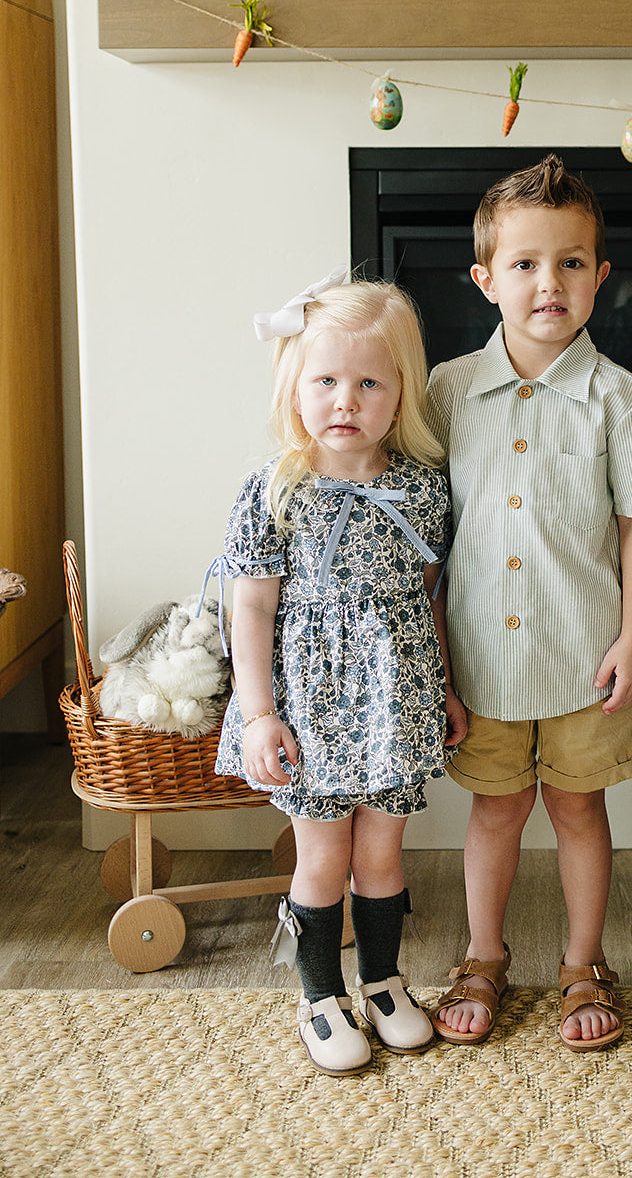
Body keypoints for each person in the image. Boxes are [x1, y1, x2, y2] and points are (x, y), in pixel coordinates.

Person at [425, 155, 632, 1051]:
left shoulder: (623, 399)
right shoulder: (446, 392)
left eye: (571, 263)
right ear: (484, 278)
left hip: (584, 656)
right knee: (494, 809)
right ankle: (483, 955)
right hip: (480, 660)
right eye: (526, 264)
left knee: (579, 809)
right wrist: (436, 662)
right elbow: (429, 537)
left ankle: (582, 962)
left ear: (600, 277)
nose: (549, 284)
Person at [213, 272, 466, 1075]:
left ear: (400, 394)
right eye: (325, 381)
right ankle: (319, 996)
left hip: (396, 705)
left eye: (367, 382)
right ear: (296, 387)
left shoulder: (422, 491)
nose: (344, 400)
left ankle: (383, 980)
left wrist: (447, 690)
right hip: (308, 710)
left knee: (383, 857)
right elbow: (247, 611)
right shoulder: (274, 490)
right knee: (323, 859)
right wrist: (258, 716)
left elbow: (432, 601)